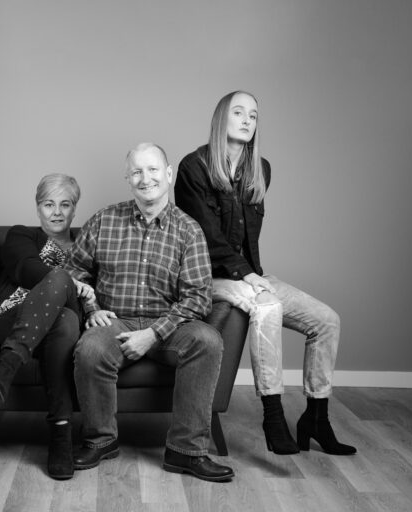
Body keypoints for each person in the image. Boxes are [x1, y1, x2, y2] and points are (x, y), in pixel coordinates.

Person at [175, 91, 356, 456]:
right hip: (209, 276)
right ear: (220, 119)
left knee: (327, 321)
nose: (246, 120)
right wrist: (247, 277)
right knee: (268, 307)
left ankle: (316, 418)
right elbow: (207, 238)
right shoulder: (193, 167)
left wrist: (253, 275)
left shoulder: (261, 169)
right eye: (238, 112)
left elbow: (245, 238)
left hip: (250, 274)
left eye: (253, 115)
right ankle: (273, 417)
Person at [65, 143, 234, 483]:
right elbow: (73, 272)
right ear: (128, 178)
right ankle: (101, 440)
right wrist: (91, 307)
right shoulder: (103, 220)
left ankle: (186, 452)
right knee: (91, 348)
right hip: (115, 319)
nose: (146, 178)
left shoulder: (189, 229)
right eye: (137, 171)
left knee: (208, 341)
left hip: (170, 324)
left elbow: (198, 298)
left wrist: (153, 334)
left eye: (153, 169)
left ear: (168, 175)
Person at [0, 173, 94, 480]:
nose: (56, 212)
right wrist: (66, 279)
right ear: (37, 207)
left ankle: (8, 365)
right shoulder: (22, 236)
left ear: (74, 209)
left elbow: (99, 294)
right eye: (48, 204)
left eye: (65, 204)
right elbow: (25, 268)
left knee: (68, 316)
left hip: (67, 325)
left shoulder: (88, 246)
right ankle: (60, 434)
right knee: (60, 293)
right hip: (12, 318)